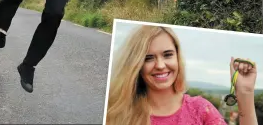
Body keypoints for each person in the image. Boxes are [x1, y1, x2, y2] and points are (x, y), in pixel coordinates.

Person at [105, 25, 258, 125]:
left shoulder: (200, 110)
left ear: (177, 58)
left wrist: (245, 93)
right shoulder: (117, 113)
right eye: (148, 58)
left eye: (167, 55)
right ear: (135, 65)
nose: (160, 65)